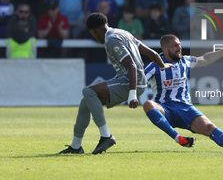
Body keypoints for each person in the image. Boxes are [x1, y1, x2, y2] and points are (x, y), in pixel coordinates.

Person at [58, 12, 174, 154]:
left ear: (94, 31)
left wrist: (133, 94)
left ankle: (106, 136)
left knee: (88, 91)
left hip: (132, 82)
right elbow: (152, 53)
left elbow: (131, 65)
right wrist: (162, 66)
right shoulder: (122, 33)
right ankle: (76, 146)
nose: (95, 37)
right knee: (86, 101)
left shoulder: (112, 39)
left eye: (93, 34)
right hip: (132, 80)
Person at [143, 34, 223, 152]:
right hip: (165, 109)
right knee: (148, 104)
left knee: (209, 127)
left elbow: (206, 59)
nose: (179, 48)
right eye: (175, 46)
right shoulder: (154, 66)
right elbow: (140, 80)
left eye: (179, 45)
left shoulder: (185, 61)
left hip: (186, 109)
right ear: (165, 49)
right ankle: (178, 138)